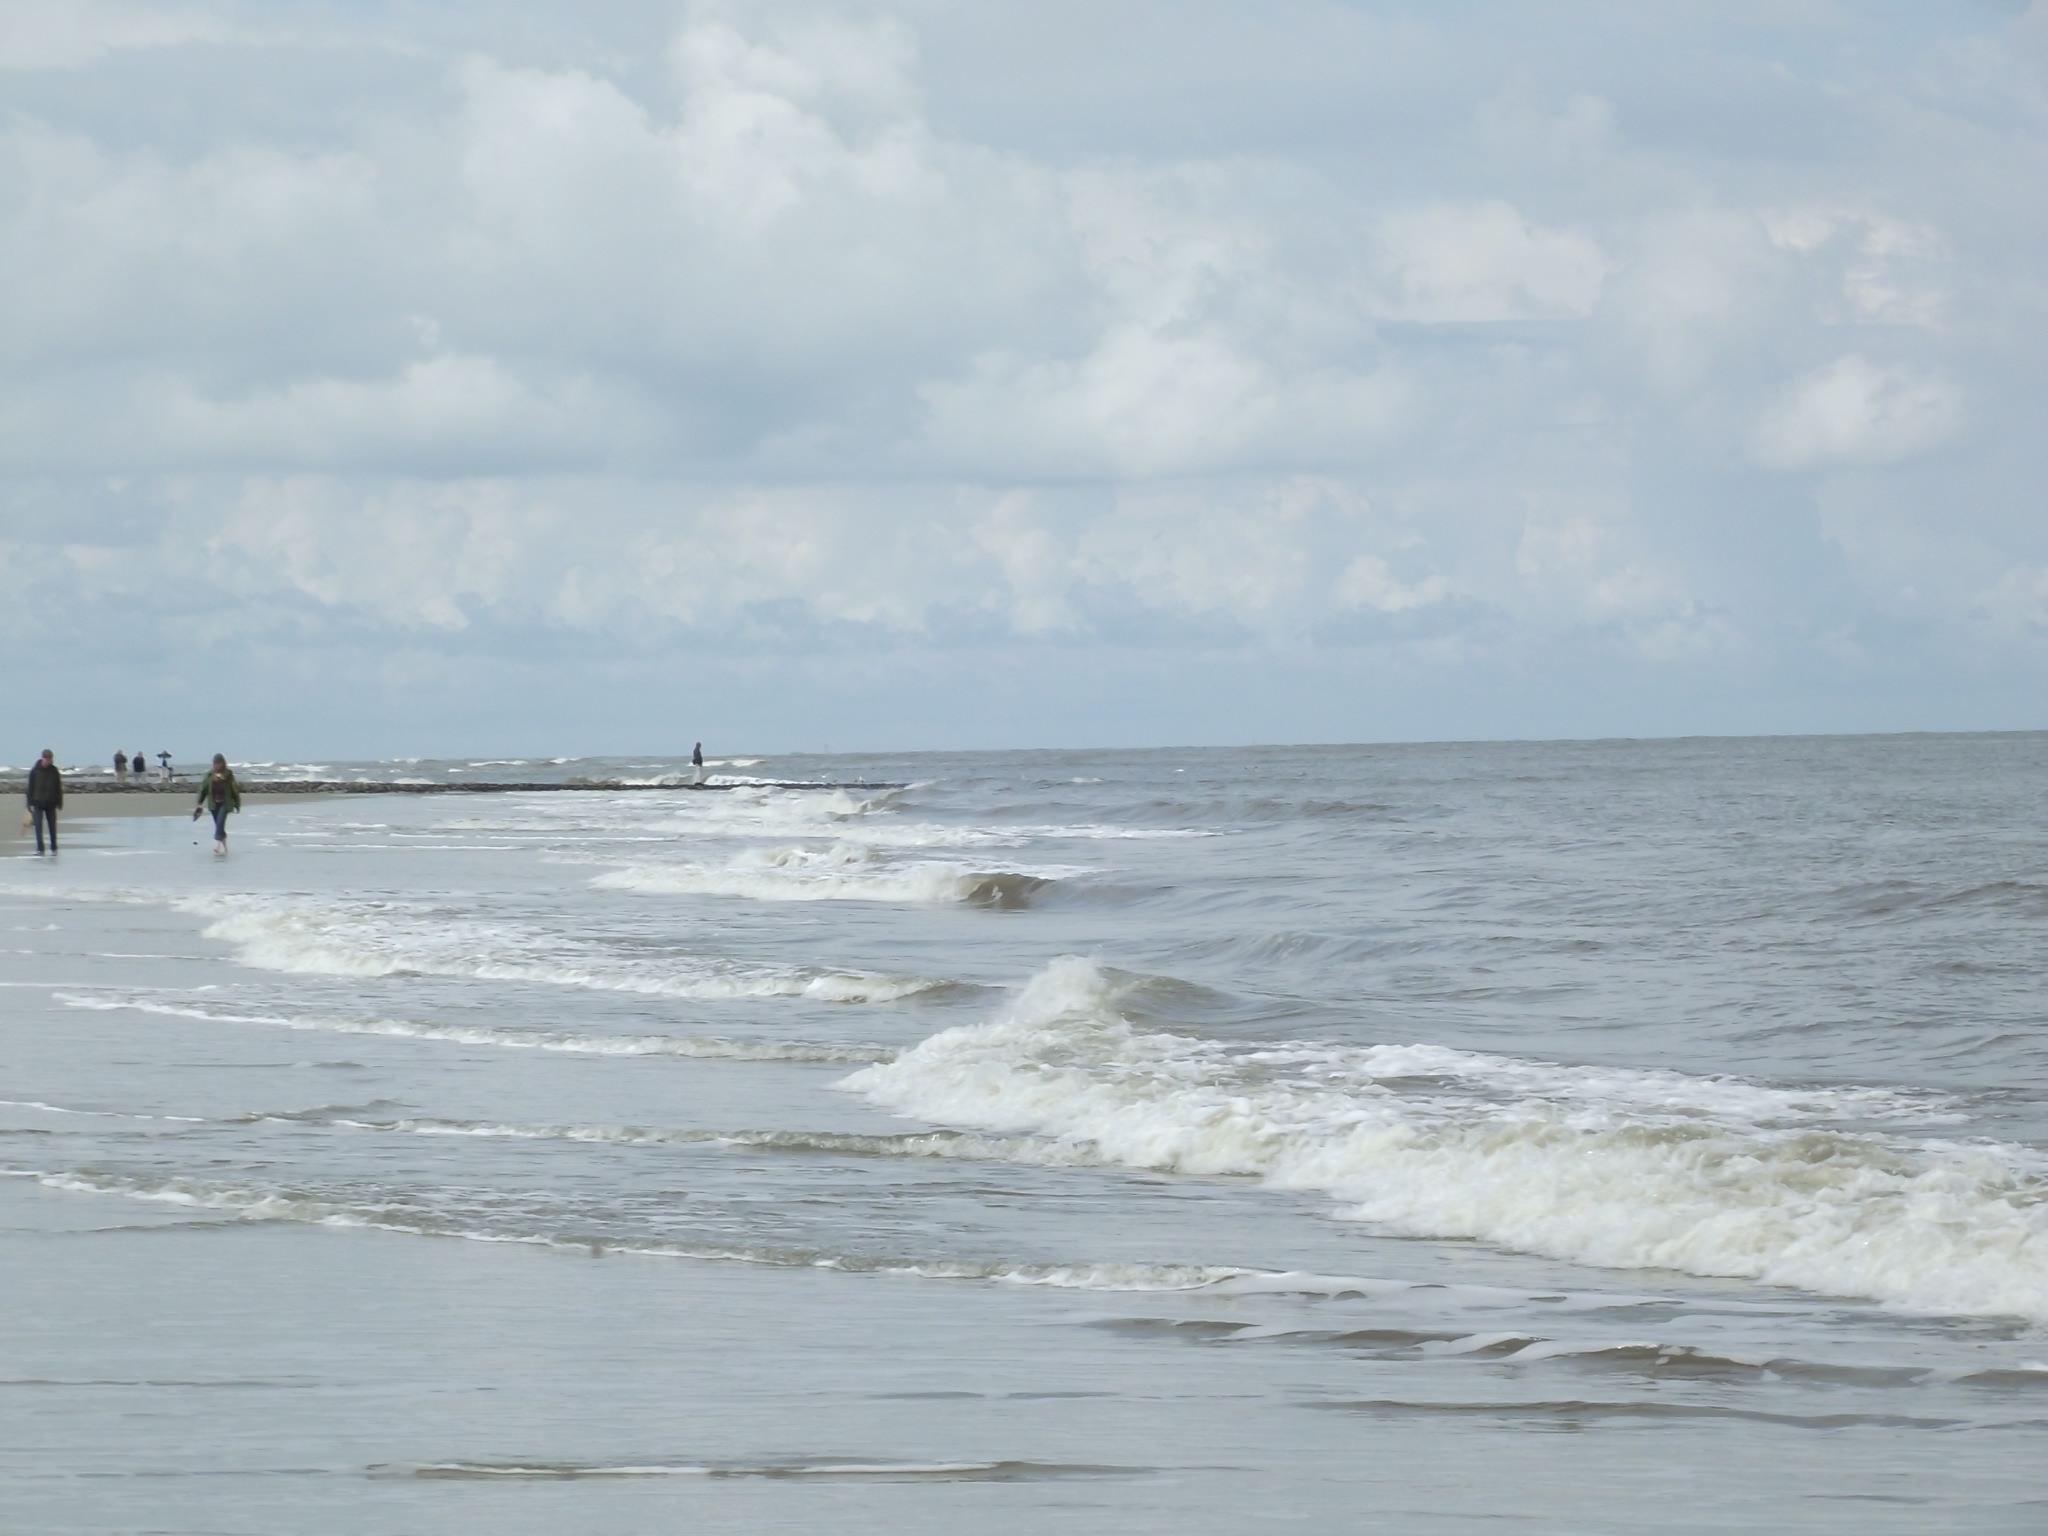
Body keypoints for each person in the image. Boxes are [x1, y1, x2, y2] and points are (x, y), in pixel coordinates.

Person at [192, 754, 242, 854]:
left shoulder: (228, 774)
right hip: (213, 804)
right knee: (219, 826)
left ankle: (217, 846)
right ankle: (226, 848)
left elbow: (234, 789)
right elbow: (203, 789)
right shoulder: (210, 775)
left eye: (219, 763)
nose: (217, 765)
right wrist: (199, 803)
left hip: (225, 803)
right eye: (216, 763)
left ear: (223, 763)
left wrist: (237, 804)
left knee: (220, 823)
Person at [26, 749, 63, 854]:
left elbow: (58, 788)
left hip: (51, 802)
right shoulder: (35, 771)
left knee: (52, 826)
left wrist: (60, 802)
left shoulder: (54, 771)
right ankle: (40, 848)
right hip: (38, 802)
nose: (49, 761)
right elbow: (30, 787)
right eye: (47, 758)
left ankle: (54, 847)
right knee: (38, 826)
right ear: (43, 758)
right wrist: (29, 803)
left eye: (50, 759)